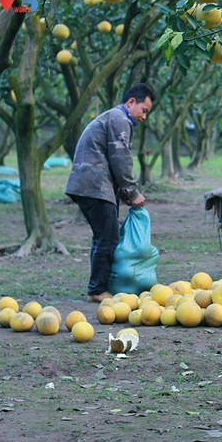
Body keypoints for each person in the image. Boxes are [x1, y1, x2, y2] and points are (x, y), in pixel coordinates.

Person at [65, 83, 155, 302]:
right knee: (108, 237)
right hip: (94, 185)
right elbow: (120, 158)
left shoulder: (114, 118)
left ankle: (99, 286)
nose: (144, 117)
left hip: (90, 184)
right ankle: (97, 290)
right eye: (144, 110)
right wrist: (133, 193)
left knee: (103, 236)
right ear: (131, 102)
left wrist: (125, 194)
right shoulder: (119, 119)